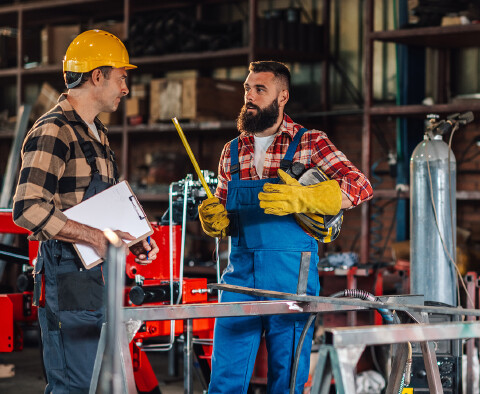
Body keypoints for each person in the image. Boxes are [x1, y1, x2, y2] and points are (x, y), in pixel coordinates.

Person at [199, 61, 373, 394]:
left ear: (282, 97)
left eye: (259, 89)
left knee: (288, 382)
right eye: (247, 89)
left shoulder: (310, 142)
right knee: (223, 382)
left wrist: (305, 197)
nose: (249, 96)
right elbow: (222, 212)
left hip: (292, 280)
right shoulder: (232, 151)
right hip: (239, 279)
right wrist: (214, 220)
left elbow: (360, 185)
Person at [12, 29, 158, 393]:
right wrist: (97, 237)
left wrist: (134, 236)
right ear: (97, 76)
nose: (125, 88)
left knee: (102, 384)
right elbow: (27, 208)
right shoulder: (54, 131)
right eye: (121, 78)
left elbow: (103, 202)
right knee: (76, 386)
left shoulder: (97, 133)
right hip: (68, 277)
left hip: (100, 276)